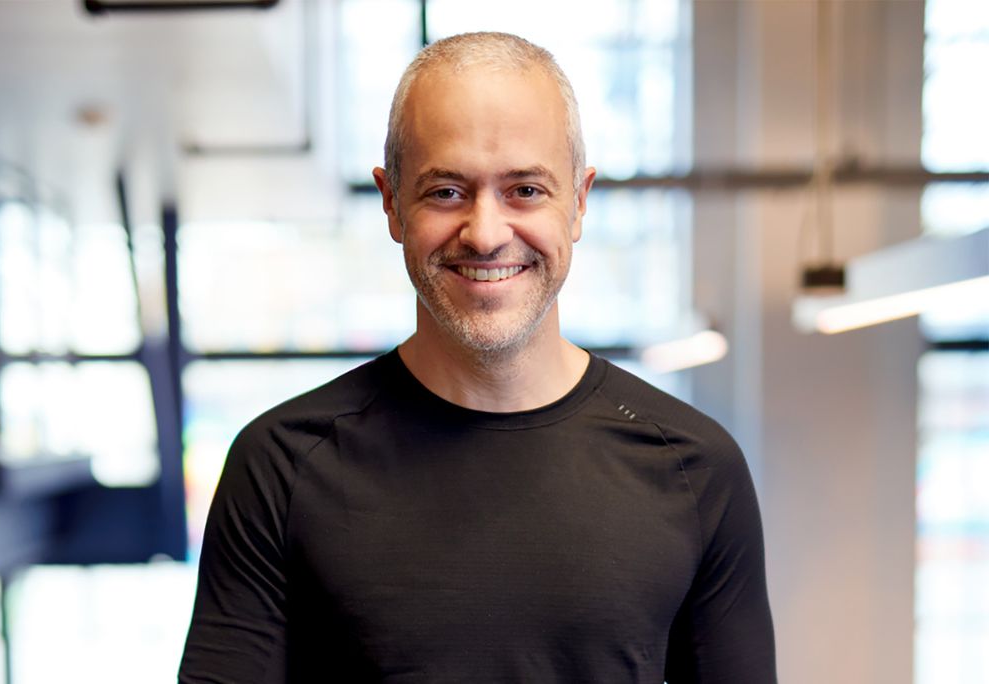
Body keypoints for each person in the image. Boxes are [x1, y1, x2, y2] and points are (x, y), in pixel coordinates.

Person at [179, 31, 776, 683]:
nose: (487, 234)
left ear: (579, 200)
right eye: (446, 192)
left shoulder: (695, 468)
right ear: (390, 202)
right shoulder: (280, 466)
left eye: (525, 190)